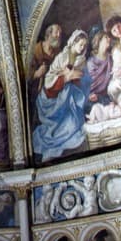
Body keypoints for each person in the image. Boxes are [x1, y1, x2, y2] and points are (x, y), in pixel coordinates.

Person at [31, 29, 91, 160]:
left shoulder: (82, 60)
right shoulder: (62, 56)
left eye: (84, 46)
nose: (82, 48)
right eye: (80, 44)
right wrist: (65, 77)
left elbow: (80, 80)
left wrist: (73, 77)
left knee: (74, 123)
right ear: (73, 42)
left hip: (69, 100)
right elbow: (50, 78)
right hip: (52, 97)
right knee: (68, 90)